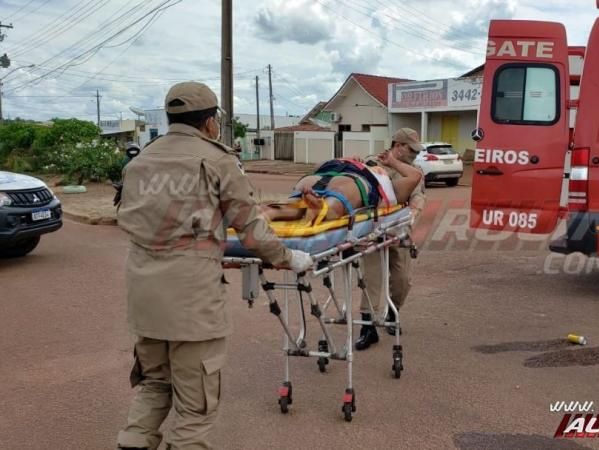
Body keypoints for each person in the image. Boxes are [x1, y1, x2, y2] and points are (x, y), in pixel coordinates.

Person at [115, 81, 313, 450]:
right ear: (210, 122)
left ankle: (133, 442)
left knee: (155, 384)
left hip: (143, 296)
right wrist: (288, 259)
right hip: (191, 301)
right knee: (195, 408)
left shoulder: (140, 161)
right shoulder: (217, 160)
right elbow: (251, 230)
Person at [355, 128, 427, 350]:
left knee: (402, 280)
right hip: (373, 228)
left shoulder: (415, 171)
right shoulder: (371, 164)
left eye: (417, 150)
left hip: (399, 229)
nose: (415, 154)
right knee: (372, 278)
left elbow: (418, 196)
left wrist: (413, 214)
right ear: (397, 145)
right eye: (411, 149)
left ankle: (392, 311)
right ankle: (367, 327)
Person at [262, 150, 422, 224]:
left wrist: (392, 161)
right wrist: (347, 159)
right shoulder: (388, 187)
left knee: (294, 207)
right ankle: (322, 209)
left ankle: (269, 212)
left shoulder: (394, 187)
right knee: (336, 201)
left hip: (320, 176)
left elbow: (416, 176)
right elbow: (414, 176)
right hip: (353, 179)